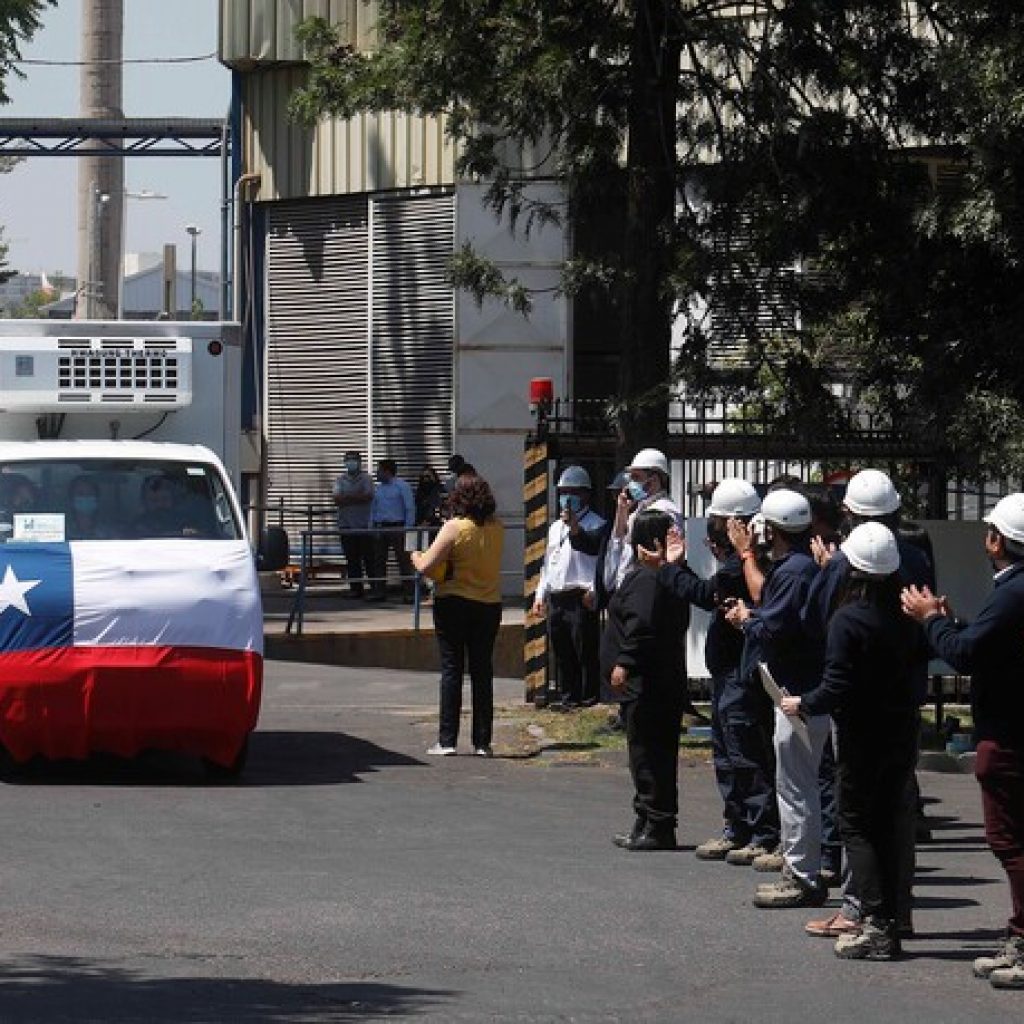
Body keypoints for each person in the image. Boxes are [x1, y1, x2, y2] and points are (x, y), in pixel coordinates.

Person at [802, 468, 934, 939]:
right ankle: (898, 907)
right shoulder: (915, 556)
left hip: (858, 706)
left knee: (857, 813)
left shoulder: (845, 566)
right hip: (904, 699)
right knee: (896, 810)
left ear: (850, 516)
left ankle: (860, 909)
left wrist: (823, 572)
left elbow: (816, 620)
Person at [782, 523, 921, 960]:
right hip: (901, 731)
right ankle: (894, 915)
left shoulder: (848, 618)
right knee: (890, 825)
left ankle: (875, 921)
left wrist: (802, 702)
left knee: (858, 826)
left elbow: (835, 686)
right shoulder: (907, 614)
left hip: (862, 734)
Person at [902, 493, 1024, 989]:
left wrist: (931, 620)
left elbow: (967, 655)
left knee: (1009, 840)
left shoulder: (1013, 591)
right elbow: (985, 644)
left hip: (1009, 732)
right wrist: (949, 623)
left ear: (997, 540)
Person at [641, 478, 779, 866]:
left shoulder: (749, 560)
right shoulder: (739, 557)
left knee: (745, 750)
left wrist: (671, 568)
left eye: (719, 519)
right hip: (726, 669)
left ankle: (762, 830)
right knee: (726, 751)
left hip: (741, 671)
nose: (714, 528)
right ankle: (737, 826)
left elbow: (707, 594)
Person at [725, 488, 827, 908]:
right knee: (798, 782)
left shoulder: (792, 572)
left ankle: (801, 875)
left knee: (796, 784)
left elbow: (774, 628)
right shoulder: (800, 567)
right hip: (800, 686)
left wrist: (747, 620)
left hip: (795, 690)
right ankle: (800, 864)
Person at [602, 509, 689, 851]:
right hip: (660, 681)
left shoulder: (648, 579)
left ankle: (657, 823)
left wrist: (624, 662)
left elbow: (641, 627)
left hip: (648, 683)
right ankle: (647, 819)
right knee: (649, 754)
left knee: (649, 754)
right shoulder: (664, 576)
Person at [411, 475, 504, 757]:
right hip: (489, 604)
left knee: (452, 669)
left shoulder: (454, 528)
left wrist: (415, 554)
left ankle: (447, 740)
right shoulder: (497, 527)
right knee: (482, 671)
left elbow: (426, 565)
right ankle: (482, 742)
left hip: (454, 602)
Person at [532, 466, 606, 709]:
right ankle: (568, 696)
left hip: (580, 594)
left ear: (585, 495)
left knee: (584, 648)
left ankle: (588, 696)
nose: (568, 497)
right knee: (562, 650)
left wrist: (594, 591)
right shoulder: (555, 528)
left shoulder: (597, 525)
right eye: (564, 492)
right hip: (558, 594)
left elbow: (599, 562)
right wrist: (541, 593)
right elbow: (548, 562)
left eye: (573, 492)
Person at [368, 459, 416, 602]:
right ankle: (379, 592)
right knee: (379, 560)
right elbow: (374, 508)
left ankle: (409, 593)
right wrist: (371, 525)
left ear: (387, 471)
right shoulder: (379, 488)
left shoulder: (402, 486)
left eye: (379, 470)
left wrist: (408, 528)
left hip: (398, 526)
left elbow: (410, 507)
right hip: (381, 527)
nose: (377, 473)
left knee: (403, 560)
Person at [332, 450, 375, 598]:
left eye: (354, 460)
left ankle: (375, 588)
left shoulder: (366, 479)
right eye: (348, 460)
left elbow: (368, 496)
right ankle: (356, 589)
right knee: (351, 559)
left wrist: (347, 497)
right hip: (346, 525)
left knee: (368, 558)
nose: (351, 463)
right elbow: (337, 499)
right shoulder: (340, 480)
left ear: (359, 462)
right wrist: (356, 496)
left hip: (363, 525)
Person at [65, 475, 110, 540]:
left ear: (97, 499)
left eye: (90, 494)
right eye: (80, 494)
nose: (85, 498)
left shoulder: (107, 533)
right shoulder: (62, 532)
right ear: (71, 499)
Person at [414, 466, 445, 532]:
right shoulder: (420, 493)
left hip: (438, 526)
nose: (426, 479)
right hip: (422, 527)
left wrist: (429, 520)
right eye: (423, 477)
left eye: (428, 476)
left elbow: (439, 508)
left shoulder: (440, 491)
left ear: (434, 477)